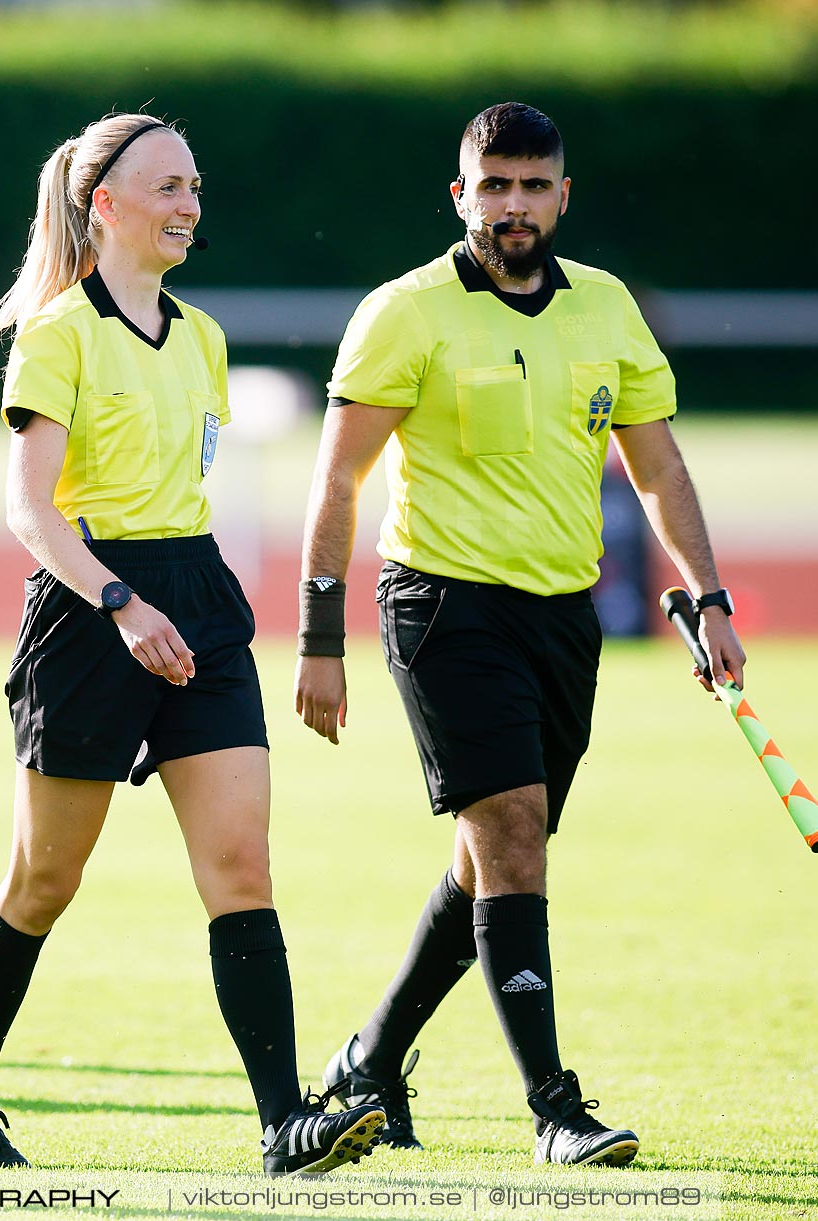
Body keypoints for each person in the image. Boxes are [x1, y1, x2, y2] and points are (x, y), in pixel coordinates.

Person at [293, 102, 747, 1167]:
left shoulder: (608, 309)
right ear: (461, 195)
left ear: (562, 196)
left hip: (562, 617)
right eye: (492, 186)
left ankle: (367, 1064)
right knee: (512, 835)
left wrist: (709, 598)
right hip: (443, 606)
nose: (513, 205)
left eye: (533, 186)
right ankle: (554, 1108)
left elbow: (658, 466)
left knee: (496, 856)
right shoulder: (404, 314)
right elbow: (338, 478)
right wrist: (321, 638)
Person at [0, 113, 386, 1176]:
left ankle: (285, 1126)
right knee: (45, 878)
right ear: (105, 206)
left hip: (199, 601)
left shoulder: (203, 337)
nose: (190, 204)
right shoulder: (58, 336)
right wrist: (122, 605)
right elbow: (32, 515)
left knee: (241, 865)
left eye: (195, 186)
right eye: (168, 187)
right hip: (92, 608)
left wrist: (177, 603)